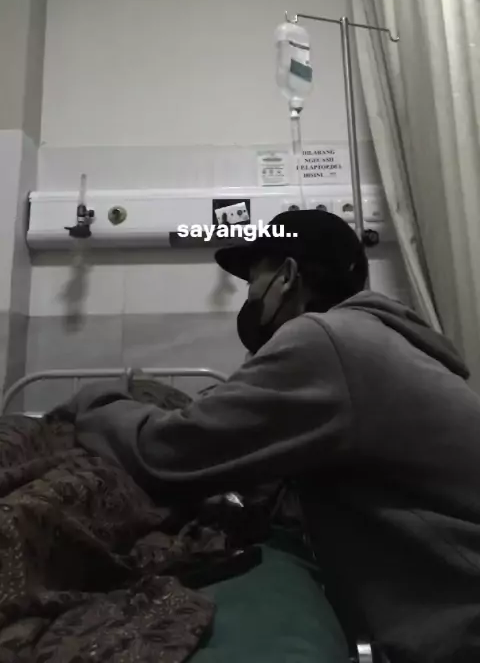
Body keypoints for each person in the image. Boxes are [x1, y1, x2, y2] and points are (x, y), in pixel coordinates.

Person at [55, 209, 480, 663]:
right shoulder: (381, 341)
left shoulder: (325, 341)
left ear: (287, 277)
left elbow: (165, 453)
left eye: (253, 280)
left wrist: (95, 401)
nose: (250, 297)